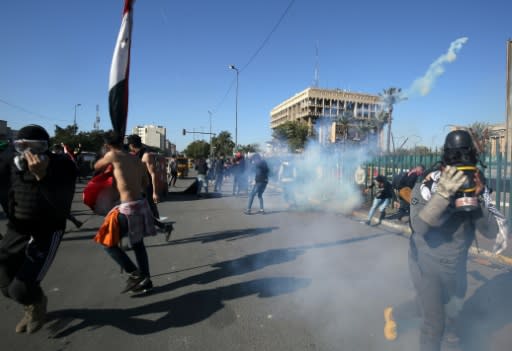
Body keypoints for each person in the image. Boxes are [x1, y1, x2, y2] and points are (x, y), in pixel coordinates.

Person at [383, 130, 504, 351]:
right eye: (455, 161)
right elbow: (419, 227)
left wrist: (479, 196)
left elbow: (493, 231)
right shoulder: (429, 183)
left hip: (456, 266)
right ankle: (399, 316)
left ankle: (400, 314)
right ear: (444, 162)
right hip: (425, 263)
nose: (461, 170)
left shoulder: (477, 182)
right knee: (434, 323)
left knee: (450, 317)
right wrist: (443, 195)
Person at [0, 125, 77, 334]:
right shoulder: (9, 163)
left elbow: (62, 205)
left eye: (33, 148)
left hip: (48, 229)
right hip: (18, 227)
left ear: (45, 148)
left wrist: (43, 177)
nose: (28, 154)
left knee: (21, 287)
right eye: (21, 147)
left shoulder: (62, 165)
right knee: (4, 279)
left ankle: (36, 304)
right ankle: (31, 300)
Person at [94, 131, 155, 294]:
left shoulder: (113, 155)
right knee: (138, 245)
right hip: (140, 205)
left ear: (107, 145)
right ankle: (146, 279)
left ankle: (135, 274)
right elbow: (145, 183)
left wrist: (104, 156)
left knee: (106, 243)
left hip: (127, 208)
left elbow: (95, 167)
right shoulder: (137, 159)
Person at [126, 134, 160, 220]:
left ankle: (162, 227)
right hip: (138, 187)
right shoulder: (134, 154)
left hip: (146, 188)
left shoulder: (146, 155)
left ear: (131, 145)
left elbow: (153, 174)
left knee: (149, 211)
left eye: (129, 145)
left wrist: (154, 193)